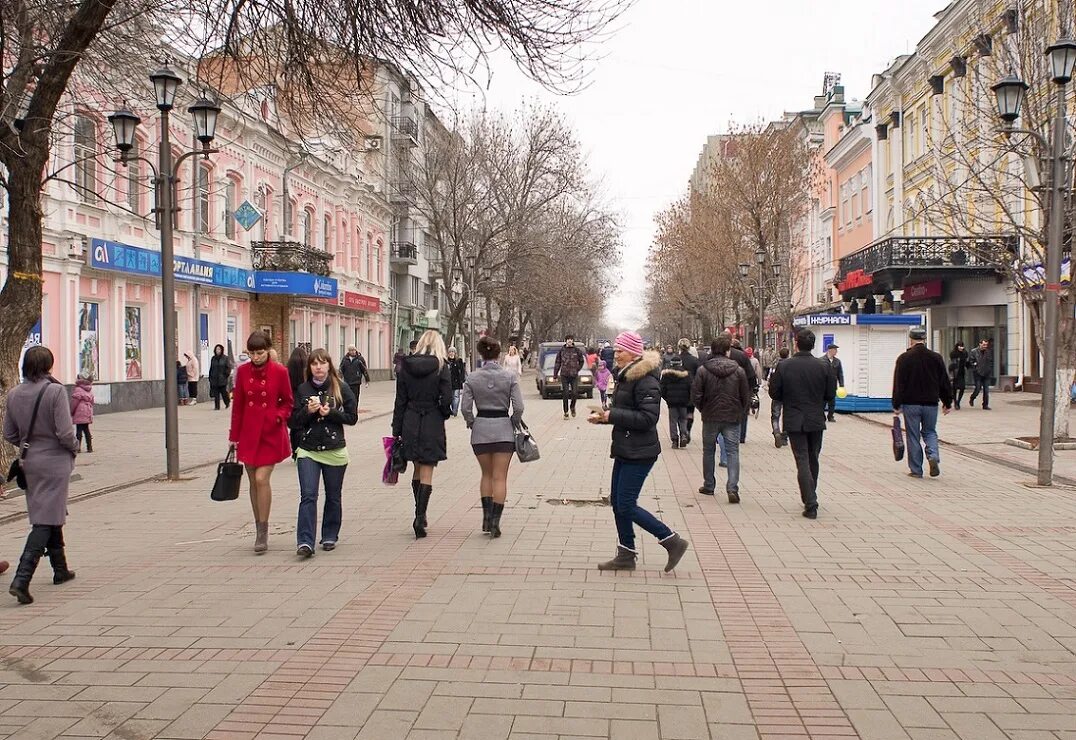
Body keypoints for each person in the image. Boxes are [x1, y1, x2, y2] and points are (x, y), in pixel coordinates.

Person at [588, 331, 689, 572]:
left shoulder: (646, 380)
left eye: (620, 350)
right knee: (618, 502)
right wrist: (604, 418)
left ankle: (671, 540)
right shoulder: (627, 376)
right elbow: (626, 411)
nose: (616, 354)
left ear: (633, 352)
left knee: (626, 504)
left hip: (640, 452)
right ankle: (626, 553)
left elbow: (648, 417)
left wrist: (613, 415)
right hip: (626, 446)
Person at [3, 346, 78, 604]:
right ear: (49, 365)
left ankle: (60, 569)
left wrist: (27, 442)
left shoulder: (14, 393)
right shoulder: (55, 391)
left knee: (50, 510)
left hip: (30, 461)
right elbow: (65, 432)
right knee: (45, 518)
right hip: (55, 460)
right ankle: (22, 579)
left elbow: (9, 433)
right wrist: (74, 448)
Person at [289, 349, 358, 557]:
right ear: (309, 368)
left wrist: (332, 413)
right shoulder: (302, 389)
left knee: (333, 496)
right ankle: (305, 541)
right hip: (308, 450)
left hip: (334, 449)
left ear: (329, 365)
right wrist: (307, 412)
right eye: (314, 364)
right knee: (308, 495)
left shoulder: (341, 387)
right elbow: (292, 421)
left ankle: (329, 535)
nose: (318, 367)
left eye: (322, 363)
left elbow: (352, 417)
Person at [229, 331, 294, 553]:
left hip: (270, 433)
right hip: (248, 433)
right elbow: (237, 406)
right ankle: (258, 526)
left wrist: (278, 416)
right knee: (252, 481)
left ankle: (263, 530)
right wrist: (233, 437)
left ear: (268, 350)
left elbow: (288, 402)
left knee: (261, 478)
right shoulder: (242, 372)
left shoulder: (280, 371)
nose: (256, 357)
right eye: (252, 353)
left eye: (260, 352)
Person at [461, 336, 524, 538]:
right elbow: (519, 407)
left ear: (481, 354)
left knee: (486, 475)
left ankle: (486, 519)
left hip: (480, 430)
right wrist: (514, 421)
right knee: (500, 477)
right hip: (504, 431)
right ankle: (496, 522)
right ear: (499, 355)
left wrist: (472, 422)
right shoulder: (509, 377)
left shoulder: (472, 378)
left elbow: (465, 408)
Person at [768, 330, 836, 519]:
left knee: (802, 459)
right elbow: (831, 394)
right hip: (815, 418)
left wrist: (789, 399)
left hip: (794, 418)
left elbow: (774, 392)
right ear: (813, 345)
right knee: (813, 457)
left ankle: (810, 501)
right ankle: (811, 495)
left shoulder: (785, 366)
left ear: (796, 344)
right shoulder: (824, 366)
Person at [392, 329, 453, 538]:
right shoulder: (441, 367)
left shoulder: (405, 367)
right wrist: (444, 413)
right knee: (427, 468)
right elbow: (446, 399)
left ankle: (418, 510)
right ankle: (420, 517)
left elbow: (399, 401)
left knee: (417, 468)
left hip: (410, 419)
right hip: (431, 420)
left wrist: (396, 430)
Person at [692, 335, 751, 501]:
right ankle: (732, 488)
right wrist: (741, 411)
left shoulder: (703, 370)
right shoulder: (738, 371)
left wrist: (703, 408)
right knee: (733, 452)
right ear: (727, 351)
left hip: (710, 416)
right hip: (732, 417)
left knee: (708, 451)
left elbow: (696, 395)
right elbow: (745, 395)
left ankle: (709, 485)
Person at [893, 327, 953, 478]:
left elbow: (899, 383)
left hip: (911, 404)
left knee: (913, 436)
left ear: (911, 339)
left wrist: (896, 404)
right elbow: (944, 382)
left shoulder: (904, 358)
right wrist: (947, 402)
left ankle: (916, 470)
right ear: (924, 339)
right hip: (931, 403)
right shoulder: (936, 358)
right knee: (930, 432)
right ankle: (933, 456)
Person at [728, 336, 758, 443]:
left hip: (726, 388)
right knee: (743, 412)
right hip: (743, 387)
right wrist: (753, 388)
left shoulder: (723, 354)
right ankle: (741, 436)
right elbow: (751, 374)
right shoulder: (743, 355)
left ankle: (727, 435)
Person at [660, 355, 693, 448]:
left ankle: (674, 440)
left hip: (672, 402)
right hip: (684, 401)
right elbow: (691, 388)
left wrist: (667, 398)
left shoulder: (666, 375)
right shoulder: (687, 374)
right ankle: (683, 435)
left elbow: (662, 389)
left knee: (673, 420)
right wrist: (689, 399)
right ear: (681, 363)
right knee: (683, 419)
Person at [553, 334, 586, 419]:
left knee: (575, 393)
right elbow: (557, 363)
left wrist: (577, 369)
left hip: (574, 375)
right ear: (566, 341)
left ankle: (572, 407)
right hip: (564, 375)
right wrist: (555, 375)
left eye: (571, 339)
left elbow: (582, 361)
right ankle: (566, 412)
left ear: (573, 341)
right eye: (568, 339)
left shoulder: (577, 350)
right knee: (566, 393)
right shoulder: (561, 351)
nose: (570, 341)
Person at [286, 346, 310, 457]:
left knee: (294, 429)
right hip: (303, 398)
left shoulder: (288, 368)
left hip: (292, 398)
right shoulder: (306, 366)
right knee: (302, 427)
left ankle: (294, 451)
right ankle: (302, 449)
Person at [677, 338, 701, 440]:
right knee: (690, 412)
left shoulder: (676, 359)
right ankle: (688, 430)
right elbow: (699, 375)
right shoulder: (695, 360)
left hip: (677, 390)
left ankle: (682, 432)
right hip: (691, 390)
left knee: (679, 413)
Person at [769, 348, 791, 447]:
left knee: (775, 415)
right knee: (787, 416)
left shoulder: (775, 365)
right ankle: (785, 437)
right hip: (788, 394)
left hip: (777, 394)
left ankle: (776, 431)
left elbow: (769, 378)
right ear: (788, 355)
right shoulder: (791, 365)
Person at [70, 375, 95, 453]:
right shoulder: (89, 389)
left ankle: (78, 447)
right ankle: (89, 447)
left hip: (79, 411)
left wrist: (71, 411)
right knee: (86, 429)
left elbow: (74, 402)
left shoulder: (78, 389)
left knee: (79, 430)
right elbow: (92, 401)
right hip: (88, 410)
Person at [968, 339, 993, 410]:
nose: (985, 346)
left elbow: (990, 361)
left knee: (986, 390)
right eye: (984, 344)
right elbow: (971, 361)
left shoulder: (988, 352)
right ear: (980, 344)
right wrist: (974, 366)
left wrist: (989, 369)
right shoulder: (974, 351)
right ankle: (972, 397)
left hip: (986, 373)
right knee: (978, 388)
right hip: (977, 373)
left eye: (986, 345)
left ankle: (985, 405)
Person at [208, 344, 233, 411]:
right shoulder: (213, 358)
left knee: (223, 392)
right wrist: (210, 377)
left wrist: (225, 375)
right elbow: (211, 368)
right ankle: (217, 406)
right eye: (216, 349)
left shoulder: (225, 358)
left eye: (219, 349)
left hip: (222, 379)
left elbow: (228, 368)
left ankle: (227, 402)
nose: (217, 351)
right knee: (216, 393)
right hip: (214, 378)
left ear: (221, 350)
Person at [824, 344, 844, 422]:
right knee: (822, 402)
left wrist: (841, 385)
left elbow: (840, 374)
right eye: (835, 350)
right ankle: (822, 416)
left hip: (832, 385)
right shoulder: (822, 360)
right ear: (830, 350)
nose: (836, 351)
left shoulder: (837, 361)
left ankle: (830, 416)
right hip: (824, 385)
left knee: (832, 402)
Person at [446, 347, 467, 416]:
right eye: (450, 352)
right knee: (450, 397)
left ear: (455, 353)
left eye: (453, 352)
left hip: (457, 381)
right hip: (448, 382)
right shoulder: (446, 361)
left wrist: (462, 379)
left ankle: (455, 411)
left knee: (456, 396)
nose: (451, 353)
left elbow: (462, 371)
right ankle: (452, 409)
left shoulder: (459, 361)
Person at [949, 341, 969, 410]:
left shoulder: (965, 353)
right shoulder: (953, 353)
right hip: (955, 373)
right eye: (960, 346)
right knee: (954, 389)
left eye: (962, 346)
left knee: (962, 388)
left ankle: (958, 401)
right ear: (957, 346)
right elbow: (952, 363)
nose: (961, 348)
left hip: (961, 372)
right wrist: (951, 373)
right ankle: (955, 402)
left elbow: (966, 362)